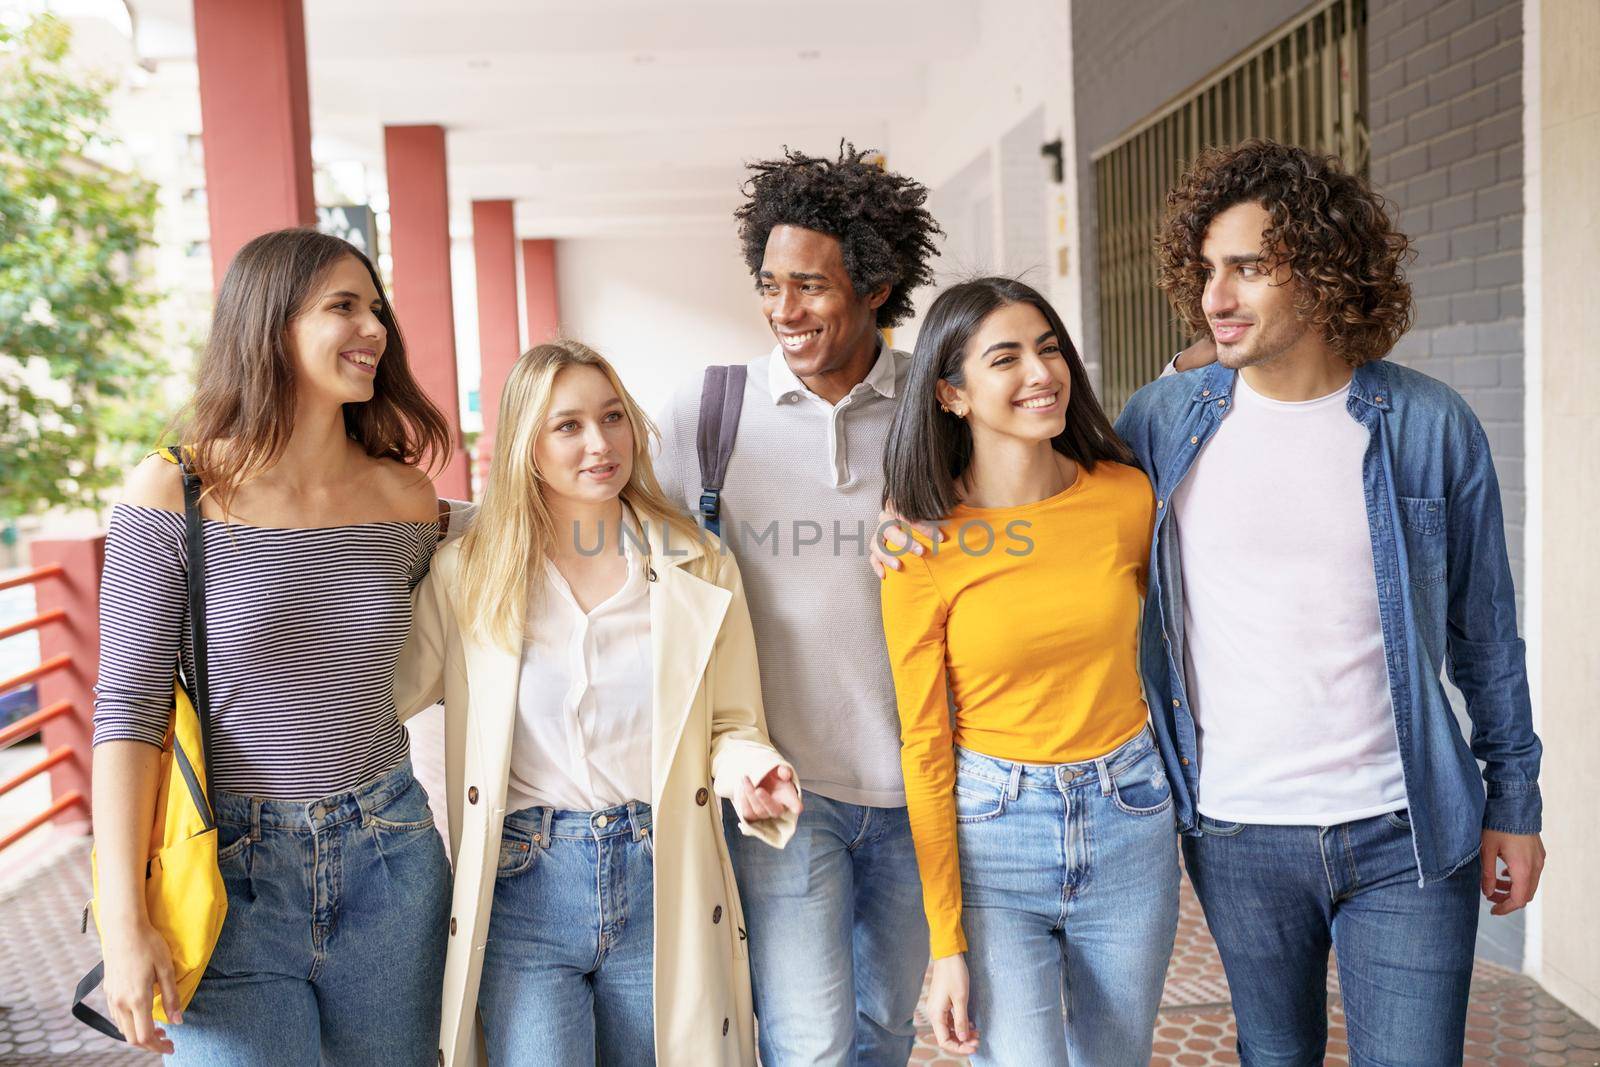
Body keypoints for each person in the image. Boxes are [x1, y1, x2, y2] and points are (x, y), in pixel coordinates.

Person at [1114, 139, 1545, 1064]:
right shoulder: (1160, 423)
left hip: (1408, 830)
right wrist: (927, 519)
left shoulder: (1429, 424)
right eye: (1205, 271)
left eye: (1248, 269)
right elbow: (1049, 523)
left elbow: (1487, 636)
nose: (1214, 297)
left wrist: (1516, 799)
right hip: (1235, 831)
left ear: (1322, 271)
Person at [90, 228, 454, 1062]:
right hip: (229, 874)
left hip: (390, 858)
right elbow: (129, 710)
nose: (375, 329)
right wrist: (124, 919)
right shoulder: (176, 491)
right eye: (343, 307)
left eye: (376, 309)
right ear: (270, 325)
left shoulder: (403, 498)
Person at [396, 339, 802, 1066]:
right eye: (569, 425)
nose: (600, 442)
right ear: (527, 446)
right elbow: (383, 694)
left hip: (661, 874)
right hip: (525, 887)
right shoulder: (470, 572)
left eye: (613, 417)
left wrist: (751, 770)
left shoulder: (695, 563)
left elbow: (733, 720)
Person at [651, 143, 943, 1065]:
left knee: (884, 1028)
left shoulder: (940, 408)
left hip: (921, 783)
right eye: (771, 284)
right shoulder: (710, 412)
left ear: (875, 283)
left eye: (810, 286)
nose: (784, 310)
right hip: (786, 787)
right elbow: (613, 534)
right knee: (810, 1041)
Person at [879, 278, 1178, 1065]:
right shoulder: (922, 544)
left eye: (1048, 348)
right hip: (994, 831)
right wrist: (946, 942)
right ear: (951, 394)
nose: (1040, 372)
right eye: (1004, 358)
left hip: (1129, 811)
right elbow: (923, 743)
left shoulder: (1124, 497)